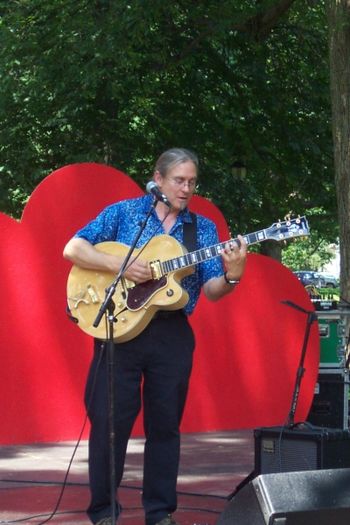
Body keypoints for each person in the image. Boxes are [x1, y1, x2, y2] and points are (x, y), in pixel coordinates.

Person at [63, 148, 247, 525]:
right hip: (120, 327)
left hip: (171, 333)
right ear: (158, 179)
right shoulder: (126, 213)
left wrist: (232, 276)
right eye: (179, 180)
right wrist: (122, 265)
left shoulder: (203, 229)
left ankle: (160, 512)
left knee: (165, 425)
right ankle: (103, 513)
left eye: (192, 182)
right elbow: (74, 247)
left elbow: (212, 289)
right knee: (110, 423)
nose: (186, 188)